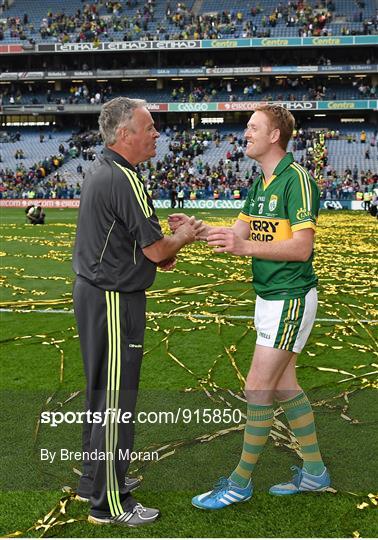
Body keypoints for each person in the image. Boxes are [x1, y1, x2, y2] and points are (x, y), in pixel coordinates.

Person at [169, 105, 330, 510]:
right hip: (270, 297)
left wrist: (245, 247)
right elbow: (236, 234)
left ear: (275, 135)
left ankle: (240, 483)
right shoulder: (262, 183)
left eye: (253, 127)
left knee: (257, 388)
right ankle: (315, 473)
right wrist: (197, 228)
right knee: (283, 386)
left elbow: (302, 247)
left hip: (290, 299)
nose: (245, 133)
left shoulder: (297, 181)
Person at [72, 97, 201, 527]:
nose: (157, 133)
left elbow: (145, 251)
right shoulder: (123, 179)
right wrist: (185, 235)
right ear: (125, 135)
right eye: (149, 127)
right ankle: (110, 503)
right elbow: (158, 249)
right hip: (112, 298)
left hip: (99, 293)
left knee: (101, 397)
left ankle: (96, 480)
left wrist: (164, 249)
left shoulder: (108, 172)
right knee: (115, 400)